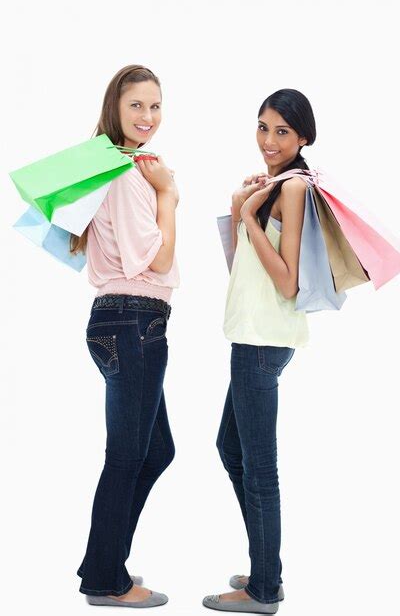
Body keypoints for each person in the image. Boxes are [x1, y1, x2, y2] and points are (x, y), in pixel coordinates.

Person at [203, 89, 316, 614]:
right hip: (253, 335)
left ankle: (264, 590)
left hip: (261, 341)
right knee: (232, 448)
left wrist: (250, 218)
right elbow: (242, 271)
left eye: (282, 132)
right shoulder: (273, 186)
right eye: (263, 127)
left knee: (260, 464)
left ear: (303, 139)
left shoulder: (292, 188)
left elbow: (288, 283)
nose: (269, 141)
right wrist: (238, 207)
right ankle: (266, 568)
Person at [71, 64, 180, 608]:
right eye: (137, 105)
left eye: (156, 106)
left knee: (155, 449)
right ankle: (106, 581)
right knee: (127, 456)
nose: (148, 117)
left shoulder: (117, 169)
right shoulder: (126, 175)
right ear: (115, 107)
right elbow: (157, 258)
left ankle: (101, 559)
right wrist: (170, 194)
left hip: (126, 321)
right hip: (133, 321)